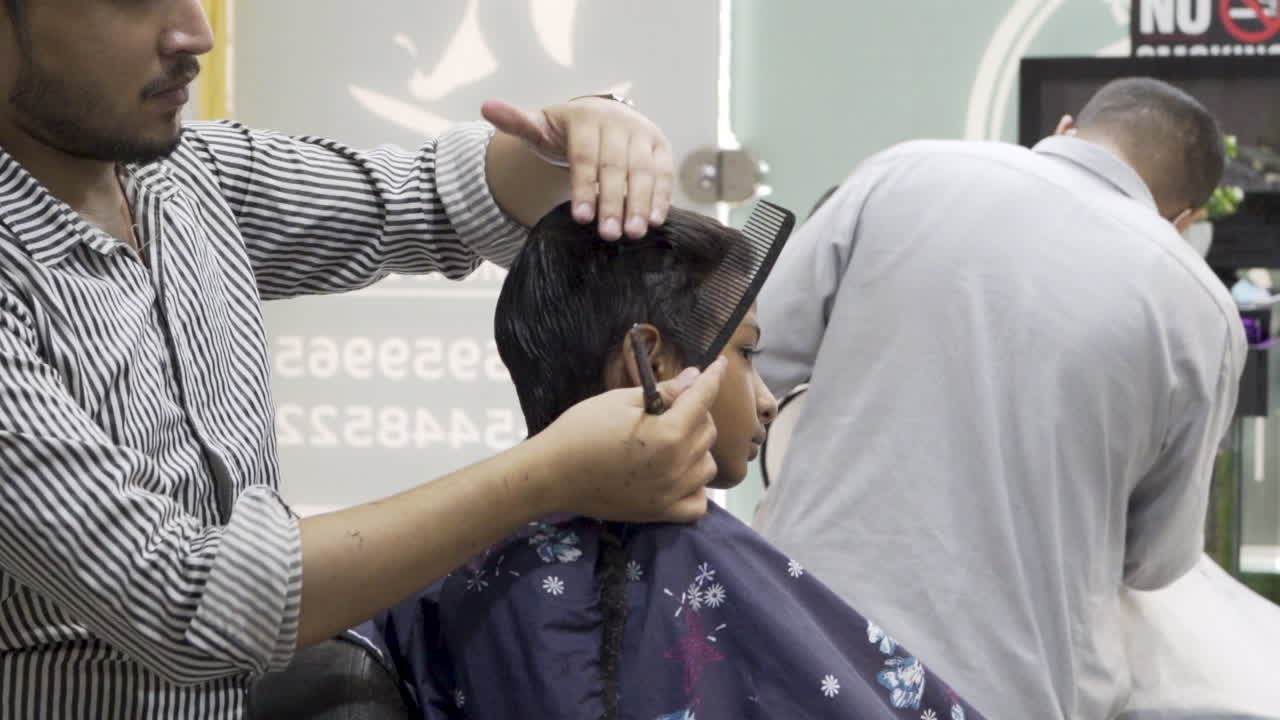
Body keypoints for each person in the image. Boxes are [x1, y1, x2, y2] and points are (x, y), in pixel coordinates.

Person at [0, 2, 728, 717]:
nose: (196, 33)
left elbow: (422, 199)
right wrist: (548, 476)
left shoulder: (185, 177)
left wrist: (577, 137)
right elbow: (183, 599)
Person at [348, 203, 988, 720]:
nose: (767, 401)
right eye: (747, 354)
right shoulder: (656, 561)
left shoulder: (447, 563)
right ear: (650, 364)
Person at [752, 77, 1246, 719]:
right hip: (1017, 687)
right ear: (1185, 219)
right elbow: (1154, 558)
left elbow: (755, 352)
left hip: (815, 640)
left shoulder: (904, 174)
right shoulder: (1201, 308)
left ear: (1068, 129)